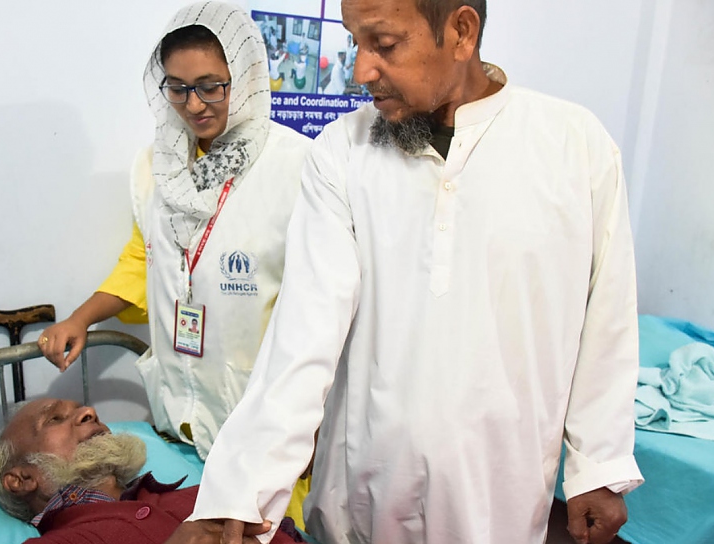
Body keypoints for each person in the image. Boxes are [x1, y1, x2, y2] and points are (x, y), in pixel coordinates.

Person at [168, 1, 644, 544]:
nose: (360, 71)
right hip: (360, 497)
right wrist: (240, 490)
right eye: (355, 43)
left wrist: (598, 465)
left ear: (461, 32)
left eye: (385, 45)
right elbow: (302, 334)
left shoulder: (573, 146)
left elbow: (607, 314)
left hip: (500, 498)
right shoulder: (341, 153)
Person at [37, 0, 313, 529]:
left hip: (261, 417)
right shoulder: (155, 165)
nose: (195, 104)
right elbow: (145, 258)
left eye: (213, 85)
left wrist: (315, 422)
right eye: (178, 87)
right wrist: (81, 318)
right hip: (180, 413)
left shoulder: (295, 167)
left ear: (249, 77)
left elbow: (321, 305)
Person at [0, 398, 306, 543]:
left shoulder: (205, 493)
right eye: (55, 419)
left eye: (82, 408)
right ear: (22, 479)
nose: (88, 412)